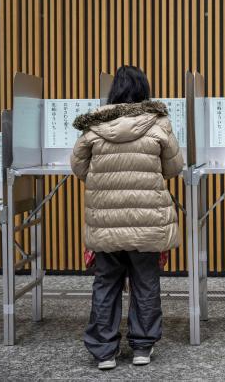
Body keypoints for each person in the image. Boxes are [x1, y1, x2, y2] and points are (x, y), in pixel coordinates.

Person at [71, 66, 184, 370]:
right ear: (144, 89)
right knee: (145, 283)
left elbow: (79, 168)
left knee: (106, 283)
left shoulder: (94, 127)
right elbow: (174, 168)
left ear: (114, 92)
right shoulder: (159, 124)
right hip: (147, 220)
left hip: (106, 222)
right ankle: (142, 347)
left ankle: (104, 351)